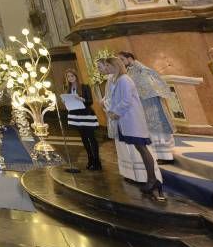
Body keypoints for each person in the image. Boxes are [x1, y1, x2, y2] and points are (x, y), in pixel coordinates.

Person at [97, 56, 165, 201]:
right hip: (125, 120)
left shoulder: (124, 79)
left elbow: (126, 100)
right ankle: (152, 180)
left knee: (142, 148)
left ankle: (153, 180)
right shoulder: (116, 80)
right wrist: (110, 109)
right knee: (140, 148)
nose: (106, 69)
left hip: (133, 119)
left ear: (115, 66)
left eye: (108, 66)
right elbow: (116, 99)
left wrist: (115, 112)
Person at [118, 52, 176, 161]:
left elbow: (149, 84)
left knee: (157, 128)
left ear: (129, 58)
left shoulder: (141, 69)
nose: (120, 62)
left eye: (122, 59)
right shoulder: (130, 71)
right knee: (149, 129)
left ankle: (166, 156)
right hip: (142, 104)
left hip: (151, 102)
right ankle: (158, 155)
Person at [63, 69, 101, 170]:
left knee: (91, 138)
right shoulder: (68, 89)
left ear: (76, 76)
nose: (70, 78)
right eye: (68, 77)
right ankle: (90, 159)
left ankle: (97, 161)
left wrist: (82, 99)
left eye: (72, 76)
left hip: (86, 115)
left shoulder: (84, 86)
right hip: (76, 116)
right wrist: (66, 101)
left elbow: (90, 101)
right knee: (84, 139)